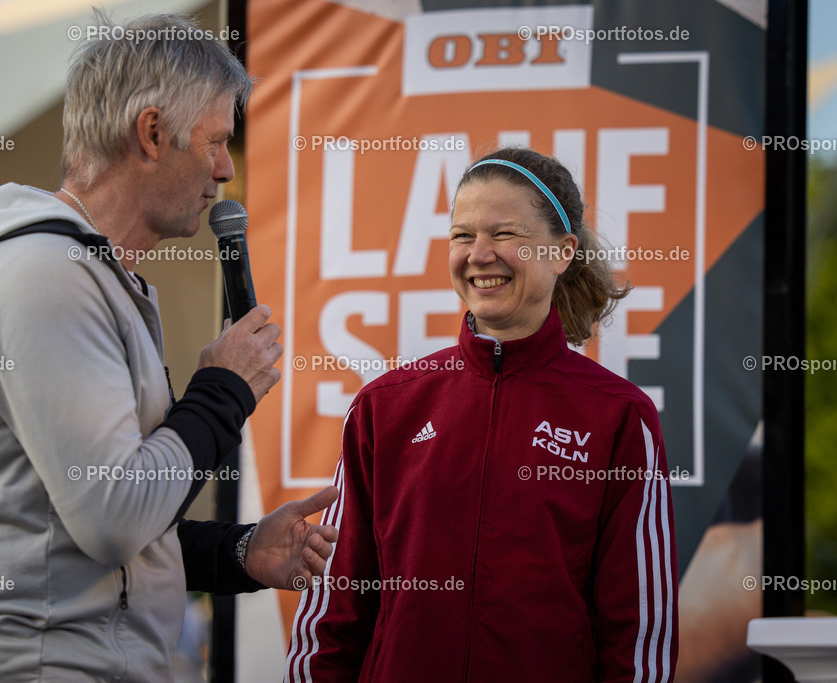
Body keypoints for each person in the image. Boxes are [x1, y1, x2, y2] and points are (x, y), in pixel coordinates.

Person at [0, 12, 338, 681]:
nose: (226, 169)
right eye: (218, 140)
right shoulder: (44, 276)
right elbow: (113, 515)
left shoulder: (90, 276)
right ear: (153, 132)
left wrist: (237, 550)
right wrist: (223, 393)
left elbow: (86, 538)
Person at [286, 147, 679, 682]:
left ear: (562, 252)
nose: (480, 254)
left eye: (507, 234)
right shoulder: (385, 406)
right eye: (462, 235)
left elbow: (639, 630)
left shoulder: (618, 416)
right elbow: (335, 606)